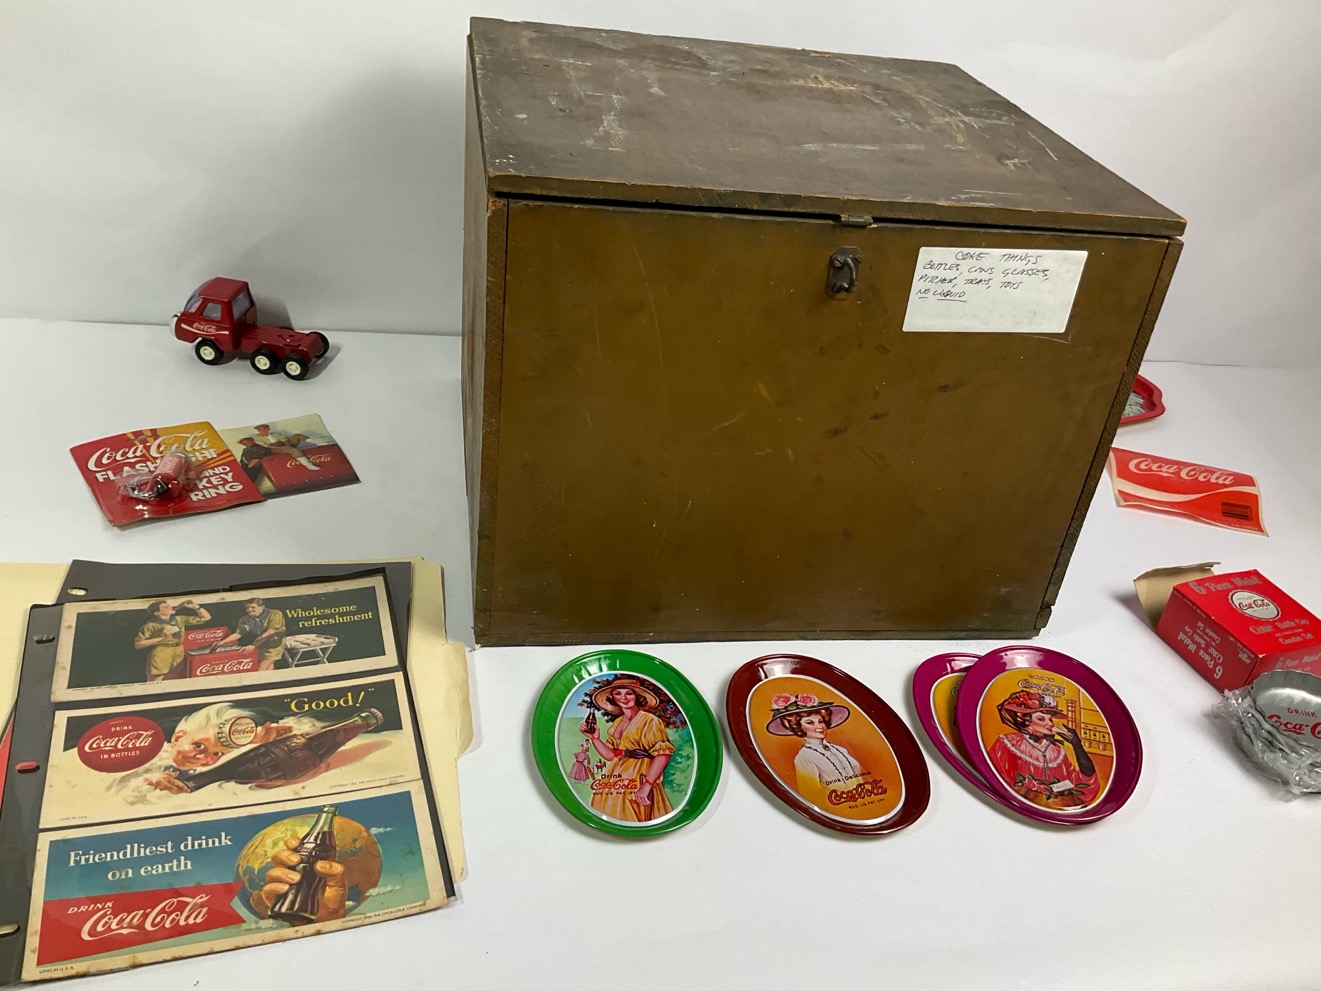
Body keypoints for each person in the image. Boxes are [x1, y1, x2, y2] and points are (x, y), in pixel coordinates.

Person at [578, 676, 681, 823]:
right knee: (607, 809)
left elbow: (663, 754)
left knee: (637, 815)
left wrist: (647, 784)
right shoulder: (617, 722)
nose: (623, 698)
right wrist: (595, 738)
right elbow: (611, 756)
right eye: (617, 693)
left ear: (637, 696)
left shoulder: (650, 721)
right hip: (615, 777)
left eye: (629, 693)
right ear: (613, 697)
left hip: (640, 775)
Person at [145, 702, 294, 794]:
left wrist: (259, 740)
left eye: (217, 753)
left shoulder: (224, 767)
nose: (205, 758)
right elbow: (140, 776)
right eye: (199, 745)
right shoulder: (151, 753)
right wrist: (152, 781)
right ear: (178, 738)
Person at [988, 690, 1098, 809]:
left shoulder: (1057, 752)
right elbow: (996, 778)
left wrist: (1077, 746)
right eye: (1041, 719)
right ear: (1025, 719)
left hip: (1055, 808)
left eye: (1050, 719)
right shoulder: (1008, 743)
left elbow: (1081, 784)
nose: (1050, 724)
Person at [766, 693, 865, 794]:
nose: (819, 727)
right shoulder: (804, 756)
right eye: (810, 723)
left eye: (821, 721)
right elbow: (811, 792)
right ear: (798, 727)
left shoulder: (841, 750)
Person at [134, 599, 212, 681]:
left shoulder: (179, 619)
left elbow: (206, 617)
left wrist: (196, 607)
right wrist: (162, 637)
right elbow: (138, 644)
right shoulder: (150, 625)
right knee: (156, 680)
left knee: (174, 679)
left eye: (169, 606)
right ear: (157, 613)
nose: (170, 607)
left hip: (179, 651)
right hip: (162, 652)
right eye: (165, 607)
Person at [218, 597, 287, 670]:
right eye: (247, 608)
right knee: (268, 667)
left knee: (261, 668)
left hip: (275, 642)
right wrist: (222, 642)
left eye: (253, 607)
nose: (249, 610)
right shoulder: (245, 619)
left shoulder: (274, 613)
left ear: (262, 607)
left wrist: (253, 644)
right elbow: (238, 633)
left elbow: (271, 631)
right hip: (260, 643)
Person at [252, 423, 319, 471]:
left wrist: (287, 445)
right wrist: (281, 448)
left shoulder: (274, 434)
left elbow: (284, 439)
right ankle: (308, 465)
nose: (264, 430)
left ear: (268, 429)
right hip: (273, 449)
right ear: (258, 431)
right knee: (294, 450)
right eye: (261, 429)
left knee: (297, 435)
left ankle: (318, 442)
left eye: (265, 429)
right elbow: (267, 446)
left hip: (283, 445)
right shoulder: (256, 437)